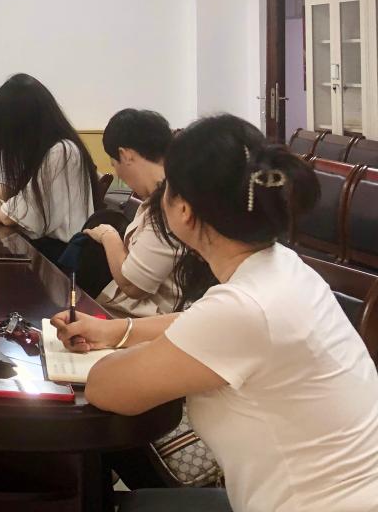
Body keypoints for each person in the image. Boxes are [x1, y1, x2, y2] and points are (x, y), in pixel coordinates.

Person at [53, 115, 378, 512]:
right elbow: (200, 325)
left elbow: (106, 388)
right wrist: (116, 331)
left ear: (184, 210)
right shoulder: (282, 266)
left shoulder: (244, 309)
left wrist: (115, 348)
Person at [77, 109, 216, 317]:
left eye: (114, 164)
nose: (118, 173)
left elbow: (133, 285)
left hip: (153, 317)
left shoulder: (170, 203)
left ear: (126, 155)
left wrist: (108, 236)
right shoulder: (167, 196)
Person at [0, 73, 95, 260]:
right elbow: (22, 204)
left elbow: (15, 215)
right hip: (46, 248)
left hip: (60, 256)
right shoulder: (44, 150)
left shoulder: (61, 151)